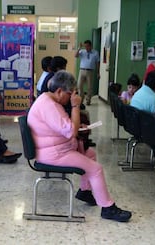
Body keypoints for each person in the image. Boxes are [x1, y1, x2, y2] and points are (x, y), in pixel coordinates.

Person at [27, 70, 132, 222]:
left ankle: (84, 191)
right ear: (59, 91)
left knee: (90, 154)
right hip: (54, 154)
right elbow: (70, 131)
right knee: (96, 169)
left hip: (55, 149)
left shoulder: (48, 101)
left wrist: (76, 124)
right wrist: (75, 107)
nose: (73, 97)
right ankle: (108, 208)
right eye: (71, 94)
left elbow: (63, 125)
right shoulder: (49, 106)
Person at [75, 40, 100, 105]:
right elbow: (76, 55)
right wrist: (79, 48)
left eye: (87, 46)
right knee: (79, 85)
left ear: (90, 46)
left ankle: (88, 100)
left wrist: (98, 72)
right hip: (82, 70)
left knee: (89, 87)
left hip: (90, 71)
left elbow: (97, 63)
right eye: (85, 46)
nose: (86, 48)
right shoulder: (82, 51)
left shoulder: (95, 53)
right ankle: (81, 97)